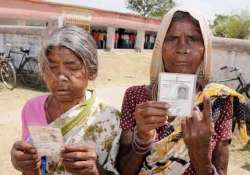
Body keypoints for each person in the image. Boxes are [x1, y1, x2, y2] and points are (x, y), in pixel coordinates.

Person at [117, 7, 248, 175]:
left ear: (205, 49)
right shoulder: (136, 97)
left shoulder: (218, 102)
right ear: (160, 46)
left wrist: (200, 154)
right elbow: (122, 171)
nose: (182, 48)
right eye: (172, 38)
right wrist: (142, 140)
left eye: (193, 39)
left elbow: (221, 171)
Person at [10, 26, 121, 175]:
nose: (60, 76)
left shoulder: (109, 119)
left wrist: (96, 170)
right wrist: (25, 164)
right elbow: (36, 167)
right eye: (52, 67)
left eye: (72, 67)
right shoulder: (32, 108)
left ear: (92, 71)